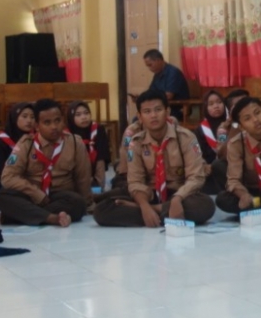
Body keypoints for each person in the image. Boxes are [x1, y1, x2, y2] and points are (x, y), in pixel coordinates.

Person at [94, 91, 214, 227]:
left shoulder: (186, 138)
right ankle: (162, 213)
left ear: (167, 112)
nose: (153, 115)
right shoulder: (136, 142)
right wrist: (144, 206)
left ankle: (153, 212)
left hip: (179, 193)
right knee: (101, 211)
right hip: (149, 194)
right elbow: (135, 181)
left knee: (205, 206)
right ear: (140, 116)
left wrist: (177, 199)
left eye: (158, 110)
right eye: (147, 111)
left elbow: (196, 177)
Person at [0, 98, 92, 227]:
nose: (54, 127)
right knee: (0, 196)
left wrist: (87, 204)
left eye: (57, 120)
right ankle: (51, 218)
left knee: (78, 203)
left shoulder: (74, 143)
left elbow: (83, 177)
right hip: (31, 195)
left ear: (63, 120)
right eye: (47, 122)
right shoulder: (26, 144)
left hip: (59, 195)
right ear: (36, 126)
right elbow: (8, 177)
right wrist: (37, 194)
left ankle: (20, 215)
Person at [66, 100, 111, 190]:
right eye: (78, 115)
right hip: (74, 176)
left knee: (97, 191)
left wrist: (99, 182)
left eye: (86, 113)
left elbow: (101, 155)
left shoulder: (98, 129)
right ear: (71, 117)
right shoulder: (67, 134)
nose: (84, 117)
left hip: (95, 170)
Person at [194, 89, 230, 194]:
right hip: (208, 169)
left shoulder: (232, 125)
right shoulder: (200, 129)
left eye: (219, 102)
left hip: (230, 166)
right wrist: (203, 164)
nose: (216, 106)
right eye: (211, 104)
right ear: (205, 108)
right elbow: (196, 152)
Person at [142, 49, 190, 120]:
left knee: (147, 119)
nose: (149, 68)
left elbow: (169, 96)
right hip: (160, 107)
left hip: (176, 109)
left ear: (158, 60)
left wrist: (152, 97)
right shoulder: (157, 75)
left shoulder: (173, 72)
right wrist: (141, 97)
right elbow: (151, 92)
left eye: (150, 65)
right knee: (139, 118)